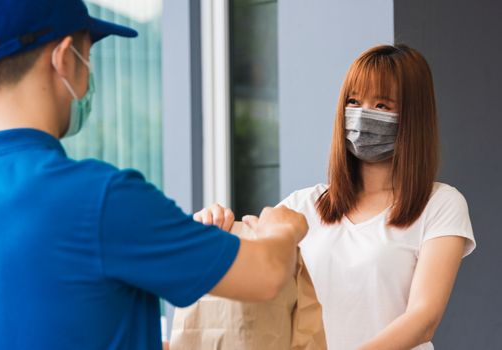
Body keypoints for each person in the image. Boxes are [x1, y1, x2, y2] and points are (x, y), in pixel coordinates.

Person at [0, 0, 309, 349]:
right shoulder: (103, 199)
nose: (88, 74)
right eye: (86, 58)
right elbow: (267, 275)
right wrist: (283, 228)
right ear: (63, 58)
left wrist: (189, 244)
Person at [196, 44, 476, 350]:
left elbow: (424, 318)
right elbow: (248, 268)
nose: (361, 116)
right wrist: (213, 230)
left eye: (381, 105)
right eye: (353, 102)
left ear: (414, 114)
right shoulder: (302, 206)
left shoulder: (441, 205)